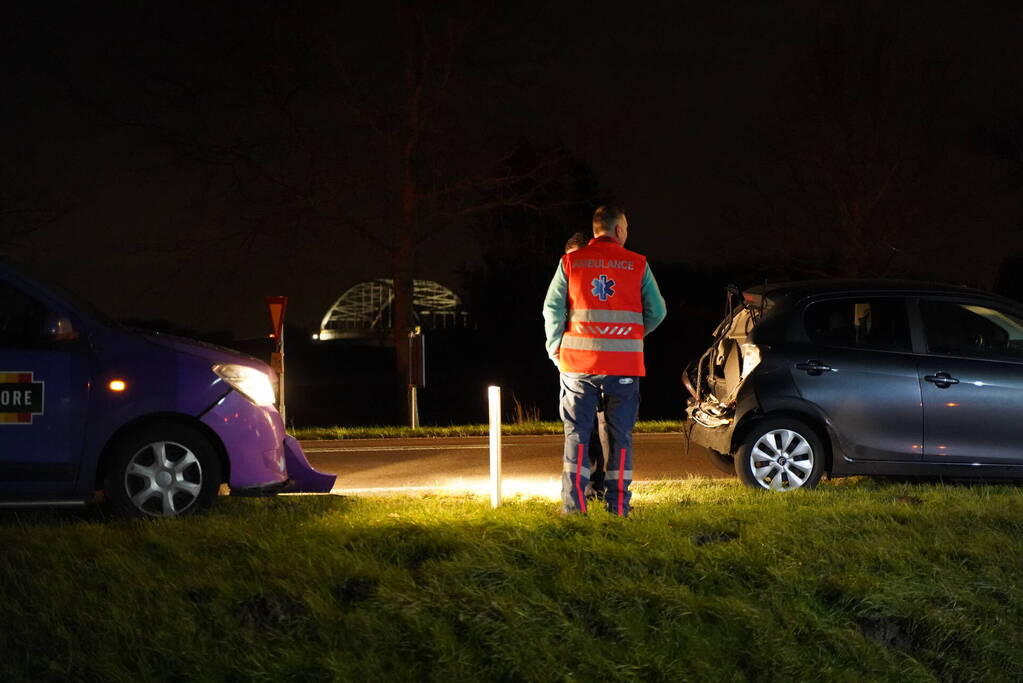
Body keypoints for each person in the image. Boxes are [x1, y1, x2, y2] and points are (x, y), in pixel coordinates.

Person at [543, 207, 666, 516]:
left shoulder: (571, 262)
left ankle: (574, 509)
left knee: (577, 435)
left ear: (596, 229)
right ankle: (619, 509)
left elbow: (552, 310)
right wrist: (631, 336)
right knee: (620, 437)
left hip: (577, 365)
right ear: (619, 231)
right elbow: (658, 312)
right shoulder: (637, 264)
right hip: (623, 366)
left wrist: (555, 349)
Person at [564, 232, 608, 501]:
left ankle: (596, 487)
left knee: (601, 432)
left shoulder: (597, 288)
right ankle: (584, 489)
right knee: (582, 432)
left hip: (603, 366)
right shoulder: (566, 283)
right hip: (575, 365)